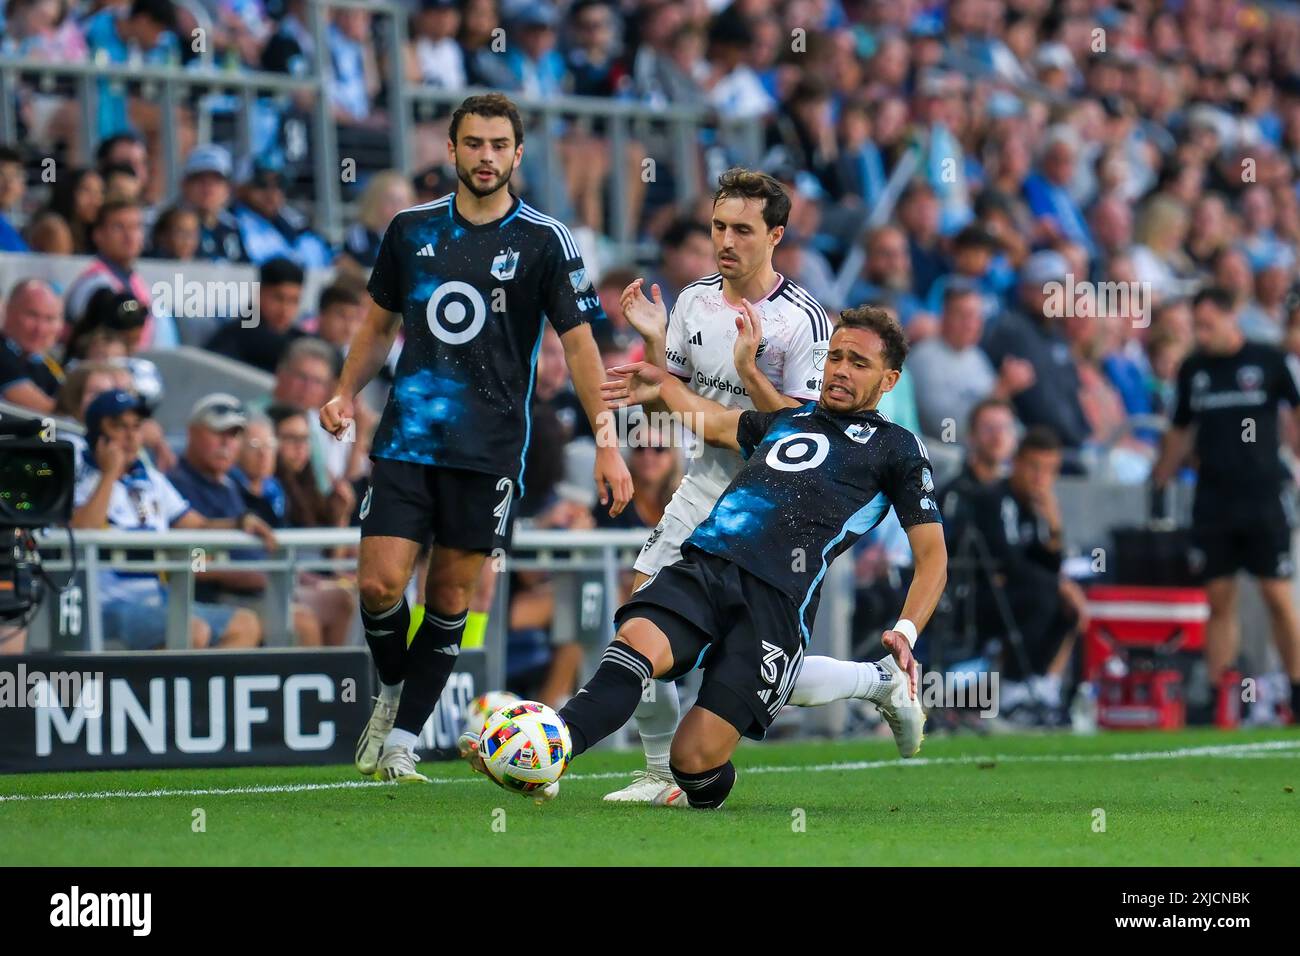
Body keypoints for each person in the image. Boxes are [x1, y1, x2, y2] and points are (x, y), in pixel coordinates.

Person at [465, 306, 948, 808]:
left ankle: (879, 681)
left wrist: (907, 630)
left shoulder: (899, 449)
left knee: (693, 765)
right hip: (705, 564)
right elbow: (713, 421)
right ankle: (553, 746)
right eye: (836, 357)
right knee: (631, 648)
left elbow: (933, 556)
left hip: (777, 602)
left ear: (889, 379)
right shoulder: (785, 419)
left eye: (859, 363)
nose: (841, 369)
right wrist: (660, 380)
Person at [319, 93, 632, 784]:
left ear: (517, 155)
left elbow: (580, 349)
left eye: (499, 145)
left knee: (452, 599)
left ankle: (400, 737)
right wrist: (344, 391)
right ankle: (397, 689)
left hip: (489, 451)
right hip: (407, 439)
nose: (486, 156)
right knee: (377, 586)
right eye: (473, 143)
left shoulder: (544, 239)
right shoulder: (408, 229)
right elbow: (376, 326)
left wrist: (608, 444)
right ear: (452, 151)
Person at [605, 167, 834, 805]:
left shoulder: (804, 322)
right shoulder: (692, 301)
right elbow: (662, 408)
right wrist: (654, 345)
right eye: (717, 227)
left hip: (767, 514)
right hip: (701, 491)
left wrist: (746, 371)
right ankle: (658, 774)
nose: (725, 241)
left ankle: (874, 683)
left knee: (742, 660)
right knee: (640, 619)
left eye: (741, 229)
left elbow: (799, 439)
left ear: (776, 235)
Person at [1152, 287, 1300, 723]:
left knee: (1276, 593)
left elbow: (1295, 412)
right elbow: (1179, 429)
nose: (1201, 334)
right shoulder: (1194, 370)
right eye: (1196, 326)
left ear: (1231, 317)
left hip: (1263, 495)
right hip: (1213, 498)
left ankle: (1295, 689)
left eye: (1208, 325)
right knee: (1218, 598)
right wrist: (1161, 474)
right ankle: (1222, 698)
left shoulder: (1268, 361)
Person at [70, 389, 276, 650]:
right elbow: (81, 530)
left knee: (245, 624)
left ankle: (202, 691)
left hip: (157, 598)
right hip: (105, 605)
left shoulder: (151, 479)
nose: (132, 436)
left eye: (136, 427)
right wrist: (110, 473)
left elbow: (197, 526)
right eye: (120, 427)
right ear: (97, 434)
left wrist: (239, 522)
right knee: (191, 631)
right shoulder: (80, 476)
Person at [940, 426, 1084, 722]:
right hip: (972, 598)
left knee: (1067, 605)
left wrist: (1055, 528)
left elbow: (1046, 565)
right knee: (1044, 593)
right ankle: (1013, 689)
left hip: (1012, 591)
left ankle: (1045, 687)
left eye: (1049, 470)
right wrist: (1057, 583)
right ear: (1016, 462)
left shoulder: (1033, 508)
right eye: (1034, 467)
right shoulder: (996, 499)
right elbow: (1008, 562)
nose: (1040, 478)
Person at [166, 395, 323, 645]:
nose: (226, 444)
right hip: (209, 598)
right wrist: (241, 574)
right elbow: (194, 565)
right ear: (192, 433)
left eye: (234, 435)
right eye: (218, 434)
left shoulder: (229, 485)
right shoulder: (177, 486)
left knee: (337, 602)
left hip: (255, 591)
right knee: (302, 621)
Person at [204, 257, 306, 373]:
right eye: (278, 298)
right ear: (260, 293)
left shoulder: (299, 340)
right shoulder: (235, 337)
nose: (285, 309)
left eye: (294, 301)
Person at [0, 278, 64, 413]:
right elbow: (49, 410)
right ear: (9, 312)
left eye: (49, 319)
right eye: (32, 315)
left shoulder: (44, 363)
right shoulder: (3, 353)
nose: (40, 329)